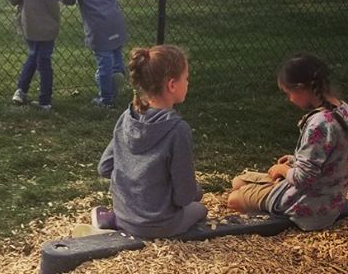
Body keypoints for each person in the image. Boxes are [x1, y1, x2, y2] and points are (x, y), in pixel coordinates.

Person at [91, 45, 207, 237]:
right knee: (199, 206)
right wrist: (195, 191)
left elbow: (104, 167)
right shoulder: (177, 130)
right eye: (186, 78)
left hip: (124, 215)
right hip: (161, 224)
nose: (188, 82)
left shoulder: (126, 118)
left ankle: (112, 219)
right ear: (172, 85)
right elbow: (184, 196)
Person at [228, 53, 348, 230]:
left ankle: (276, 209)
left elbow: (304, 178)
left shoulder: (319, 124)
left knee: (234, 200)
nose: (290, 99)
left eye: (289, 93)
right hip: (330, 197)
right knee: (238, 181)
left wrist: (283, 170)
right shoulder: (343, 109)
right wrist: (294, 160)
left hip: (309, 205)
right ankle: (270, 193)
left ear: (301, 88)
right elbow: (329, 157)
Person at [63, 0, 126, 107]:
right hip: (114, 19)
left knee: (103, 60)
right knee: (115, 53)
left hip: (97, 25)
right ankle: (118, 73)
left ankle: (106, 98)